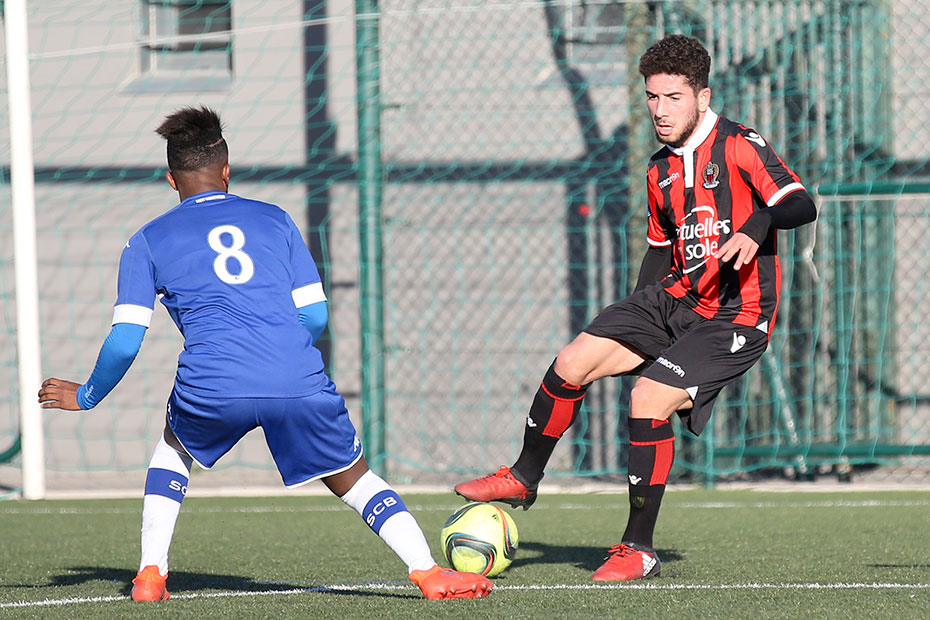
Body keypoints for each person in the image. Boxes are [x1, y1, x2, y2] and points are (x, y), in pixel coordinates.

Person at [37, 106, 492, 602]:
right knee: (351, 476)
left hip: (212, 383)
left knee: (174, 450)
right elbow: (314, 316)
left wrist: (87, 395)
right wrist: (276, 351)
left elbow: (126, 338)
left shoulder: (146, 240)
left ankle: (150, 575)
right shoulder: (276, 219)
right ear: (226, 171)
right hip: (294, 374)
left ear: (171, 179)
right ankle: (427, 572)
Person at [454, 34, 817, 581]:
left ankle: (638, 549)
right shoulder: (658, 169)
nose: (660, 110)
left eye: (674, 97)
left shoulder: (740, 144)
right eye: (652, 97)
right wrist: (636, 314)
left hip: (735, 317)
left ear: (702, 96)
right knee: (573, 360)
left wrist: (757, 223)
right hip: (673, 300)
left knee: (646, 398)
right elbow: (658, 250)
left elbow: (799, 203)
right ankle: (524, 477)